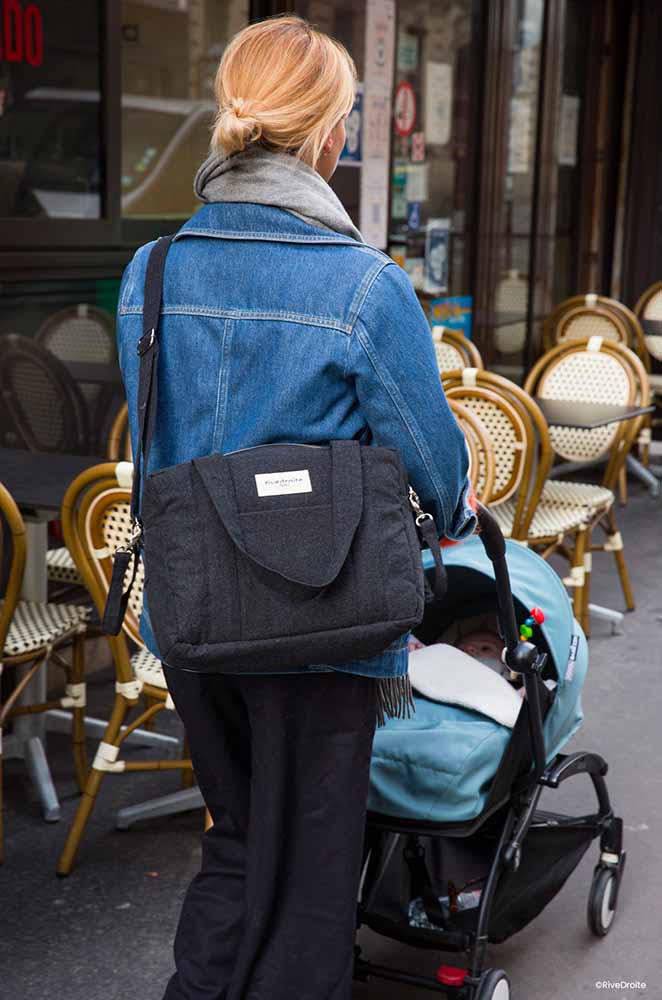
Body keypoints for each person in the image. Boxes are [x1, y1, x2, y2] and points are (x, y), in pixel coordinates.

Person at [116, 14, 475, 1000]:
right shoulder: (364, 285)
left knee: (233, 840)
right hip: (324, 622)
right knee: (313, 872)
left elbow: (160, 445)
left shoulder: (149, 277)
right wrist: (455, 506)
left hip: (196, 622)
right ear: (327, 132)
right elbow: (430, 463)